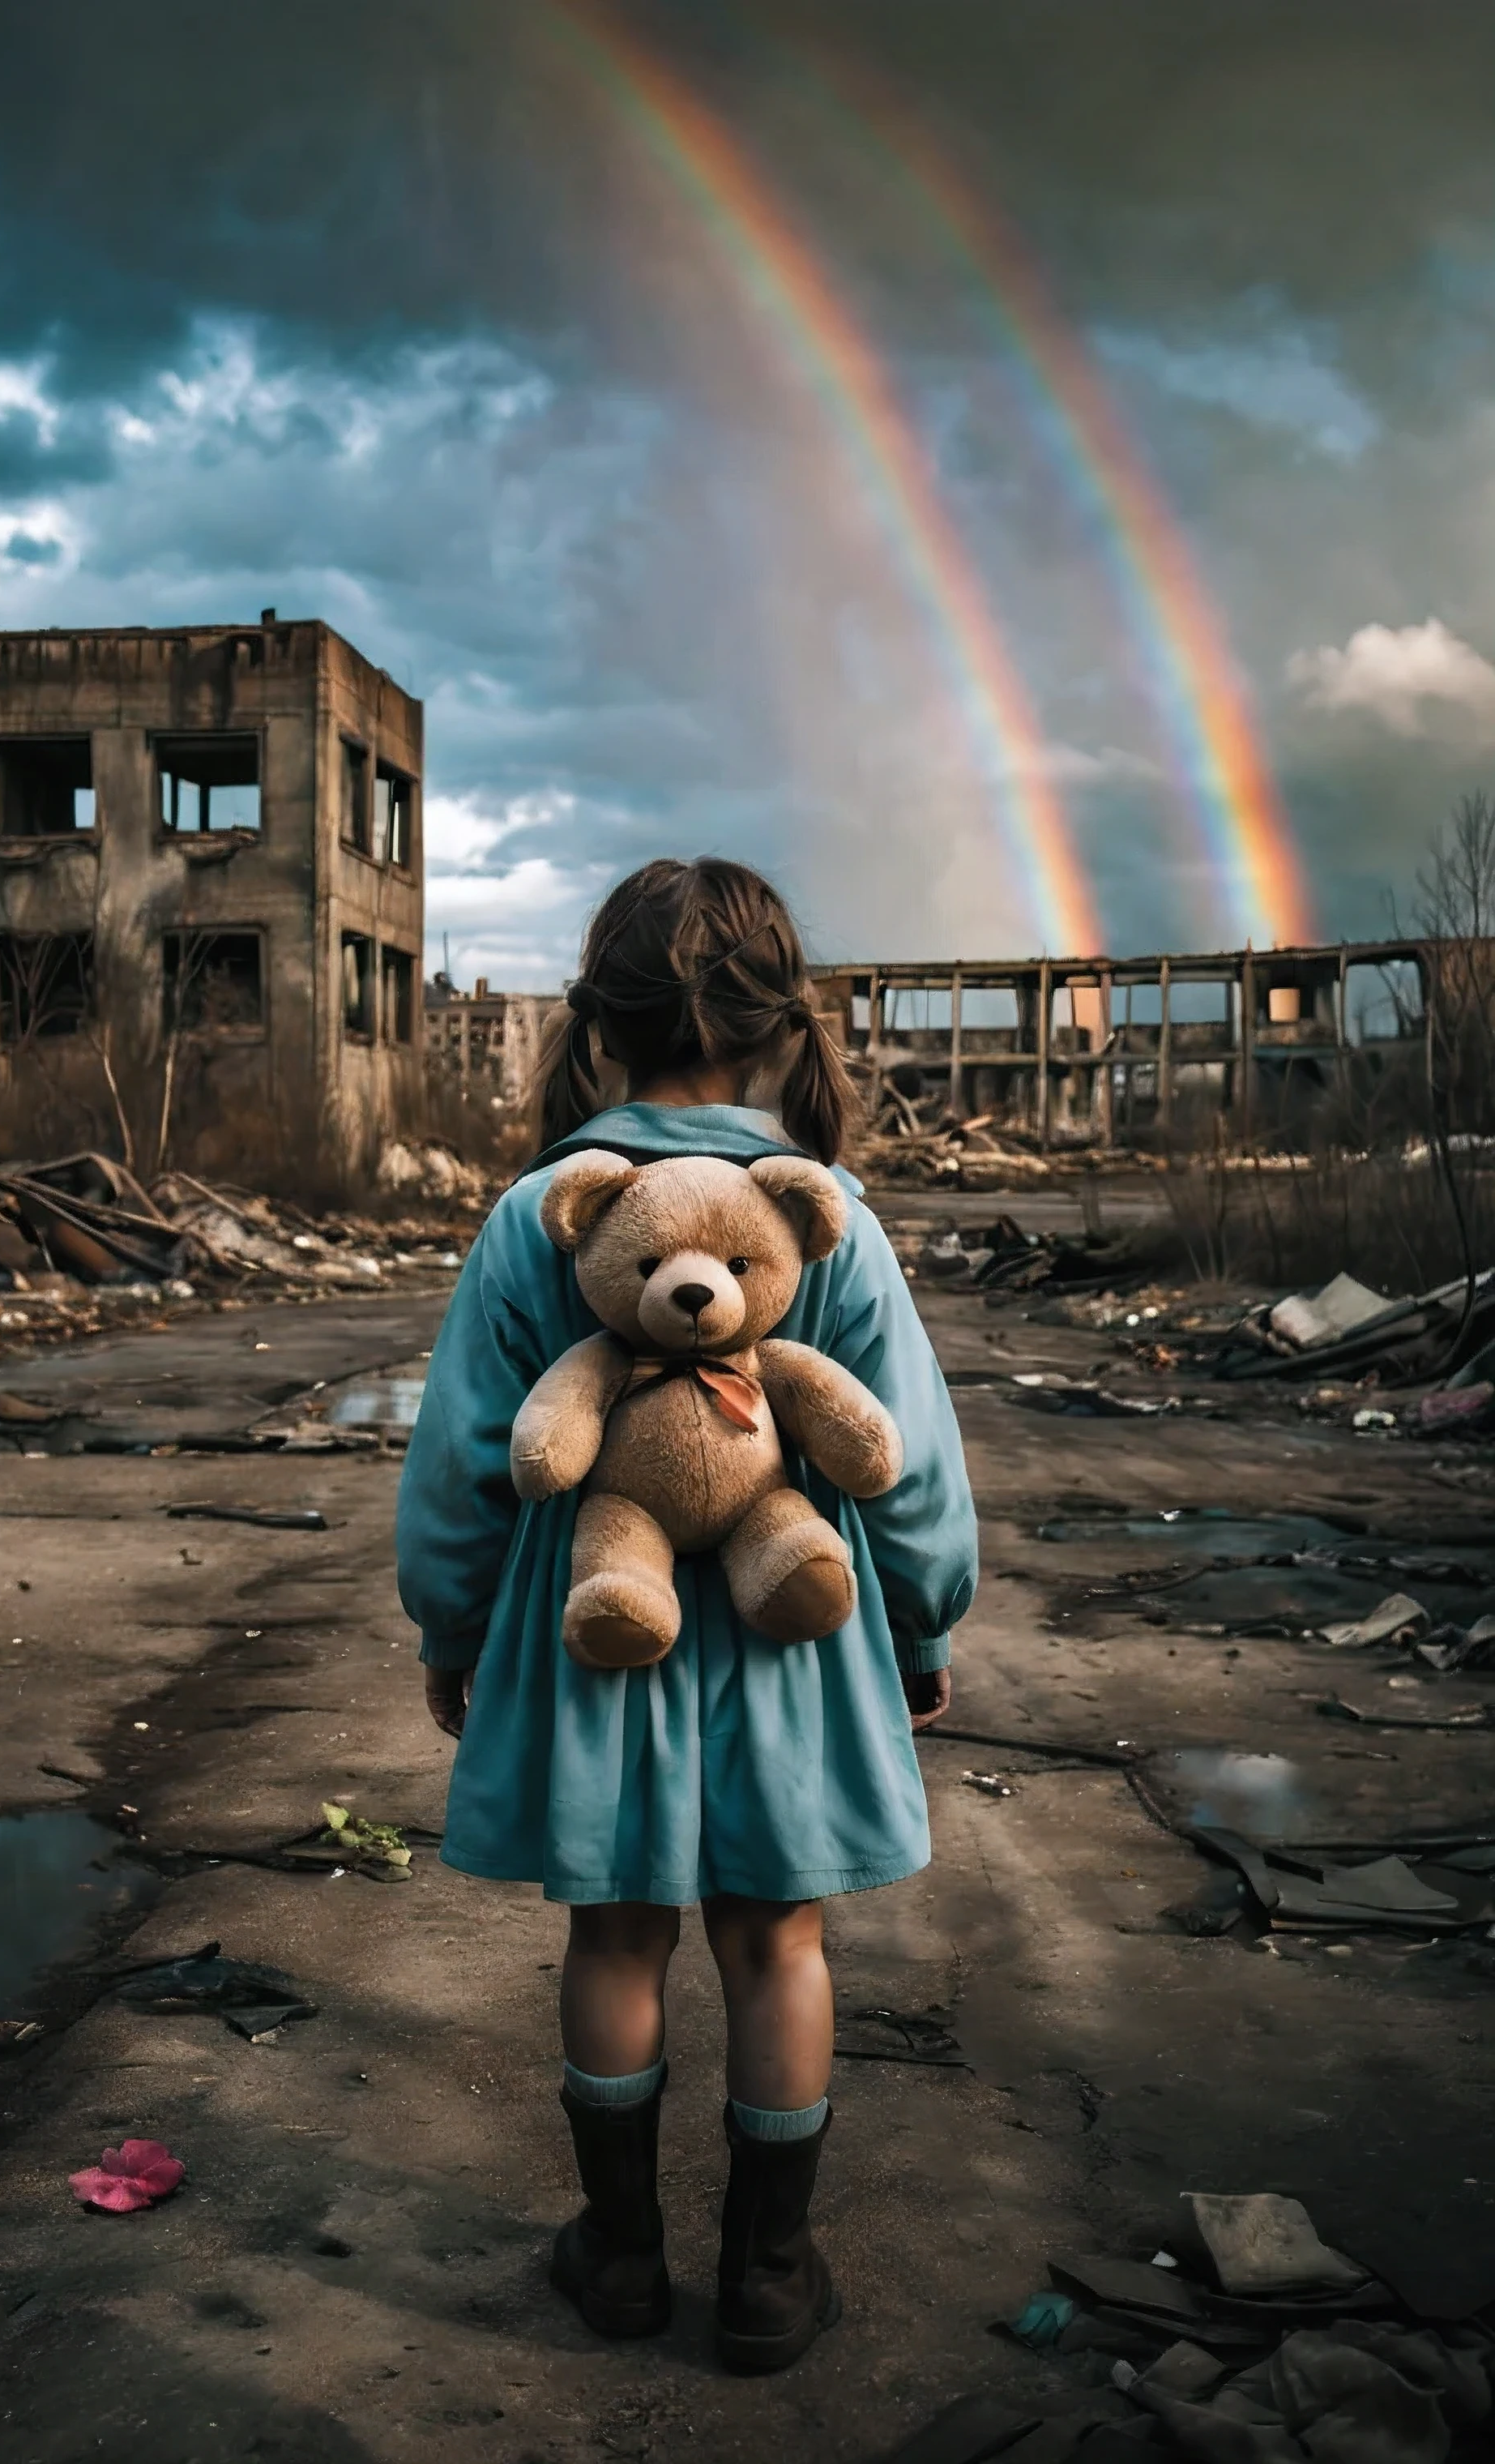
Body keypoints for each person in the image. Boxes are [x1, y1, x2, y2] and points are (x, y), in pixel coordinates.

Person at [396, 858, 977, 2374]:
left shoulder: (542, 1215)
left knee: (617, 1934)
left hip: (600, 1639)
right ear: (786, 1034)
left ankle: (625, 2259)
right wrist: (921, 1630)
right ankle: (772, 2278)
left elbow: (468, 1462)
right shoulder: (821, 1211)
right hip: (797, 1641)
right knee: (780, 1937)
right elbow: (903, 1460)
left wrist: (452, 1634)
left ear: (597, 1029)